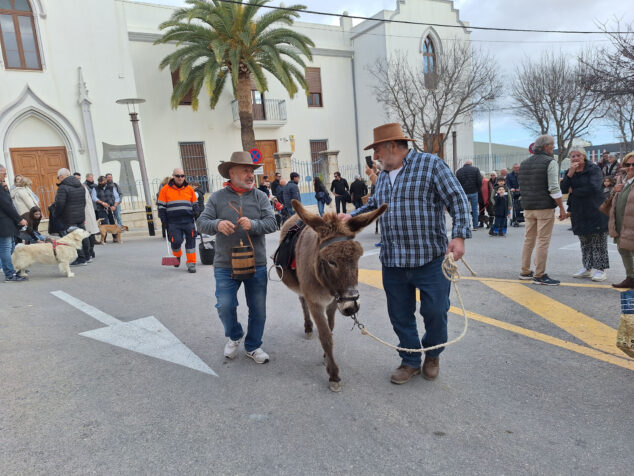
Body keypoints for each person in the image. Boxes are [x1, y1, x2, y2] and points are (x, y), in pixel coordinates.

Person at [341, 123, 471, 384]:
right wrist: (350, 216)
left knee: (436, 311)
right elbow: (375, 205)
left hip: (430, 259)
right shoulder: (384, 176)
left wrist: (458, 235)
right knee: (400, 315)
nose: (375, 156)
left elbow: (457, 199)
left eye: (377, 150)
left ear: (392, 146)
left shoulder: (430, 165)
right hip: (393, 261)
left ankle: (432, 354)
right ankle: (410, 359)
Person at [197, 151, 277, 363]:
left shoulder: (260, 196)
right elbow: (201, 222)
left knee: (258, 309)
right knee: (224, 305)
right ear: (232, 173)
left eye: (252, 170)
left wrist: (254, 224)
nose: (251, 174)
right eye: (245, 170)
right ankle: (234, 335)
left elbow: (272, 223)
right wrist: (217, 224)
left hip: (256, 263)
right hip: (225, 264)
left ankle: (253, 346)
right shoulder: (217, 198)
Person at [518, 135, 566, 285]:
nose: (553, 148)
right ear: (546, 147)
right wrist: (561, 208)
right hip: (544, 207)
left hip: (528, 206)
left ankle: (525, 271)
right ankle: (539, 275)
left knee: (529, 240)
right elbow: (553, 187)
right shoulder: (550, 162)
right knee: (543, 241)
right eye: (552, 145)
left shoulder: (524, 163)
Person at [560, 147, 609, 282]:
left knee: (598, 241)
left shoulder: (593, 169)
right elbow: (563, 189)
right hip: (579, 210)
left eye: (578, 156)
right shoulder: (570, 172)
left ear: (584, 157)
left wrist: (574, 190)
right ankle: (587, 268)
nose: (575, 158)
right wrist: (570, 174)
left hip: (595, 209)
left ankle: (601, 269)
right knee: (584, 241)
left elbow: (594, 187)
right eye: (573, 156)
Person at [157, 168, 198, 273]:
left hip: (188, 221)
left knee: (191, 242)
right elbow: (161, 207)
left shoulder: (189, 189)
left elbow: (195, 204)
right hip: (173, 222)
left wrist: (197, 214)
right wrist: (164, 221)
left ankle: (191, 263)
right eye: (178, 176)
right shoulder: (165, 189)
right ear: (173, 177)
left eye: (182, 176)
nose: (180, 178)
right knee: (176, 242)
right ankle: (176, 257)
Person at [608, 152, 634, 288]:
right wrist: (614, 191)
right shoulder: (621, 180)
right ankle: (630, 277)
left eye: (633, 165)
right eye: (627, 164)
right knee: (623, 249)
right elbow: (611, 200)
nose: (630, 167)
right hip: (620, 222)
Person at [54, 168, 89, 266]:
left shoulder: (63, 187)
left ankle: (81, 259)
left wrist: (56, 214)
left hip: (69, 217)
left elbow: (60, 204)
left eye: (58, 177)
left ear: (61, 176)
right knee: (82, 236)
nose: (58, 179)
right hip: (80, 214)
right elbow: (84, 201)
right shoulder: (81, 186)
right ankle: (87, 256)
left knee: (74, 238)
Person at [0, 164, 27, 281]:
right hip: (3, 222)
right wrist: (19, 219)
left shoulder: (2, 186)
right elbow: (7, 205)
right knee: (6, 248)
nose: (5, 176)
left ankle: (11, 269)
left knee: (10, 246)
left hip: (6, 222)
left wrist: (5, 188)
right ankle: (10, 274)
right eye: (4, 173)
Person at [455, 160, 482, 230]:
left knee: (465, 210)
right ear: (471, 164)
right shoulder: (475, 169)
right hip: (474, 192)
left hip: (464, 193)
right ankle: (475, 226)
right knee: (475, 209)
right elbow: (479, 181)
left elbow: (457, 183)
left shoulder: (459, 171)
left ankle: (467, 225)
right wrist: (478, 189)